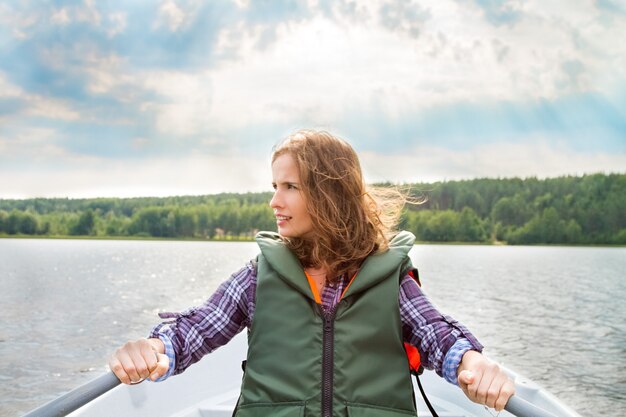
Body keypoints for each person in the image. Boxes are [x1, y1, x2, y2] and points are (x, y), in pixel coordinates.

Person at [109, 129, 515, 416]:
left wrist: (473, 364)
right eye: (274, 185)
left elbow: (437, 335)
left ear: (329, 195)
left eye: (289, 187)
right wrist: (154, 350)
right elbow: (193, 330)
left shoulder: (390, 279)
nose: (273, 201)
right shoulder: (256, 278)